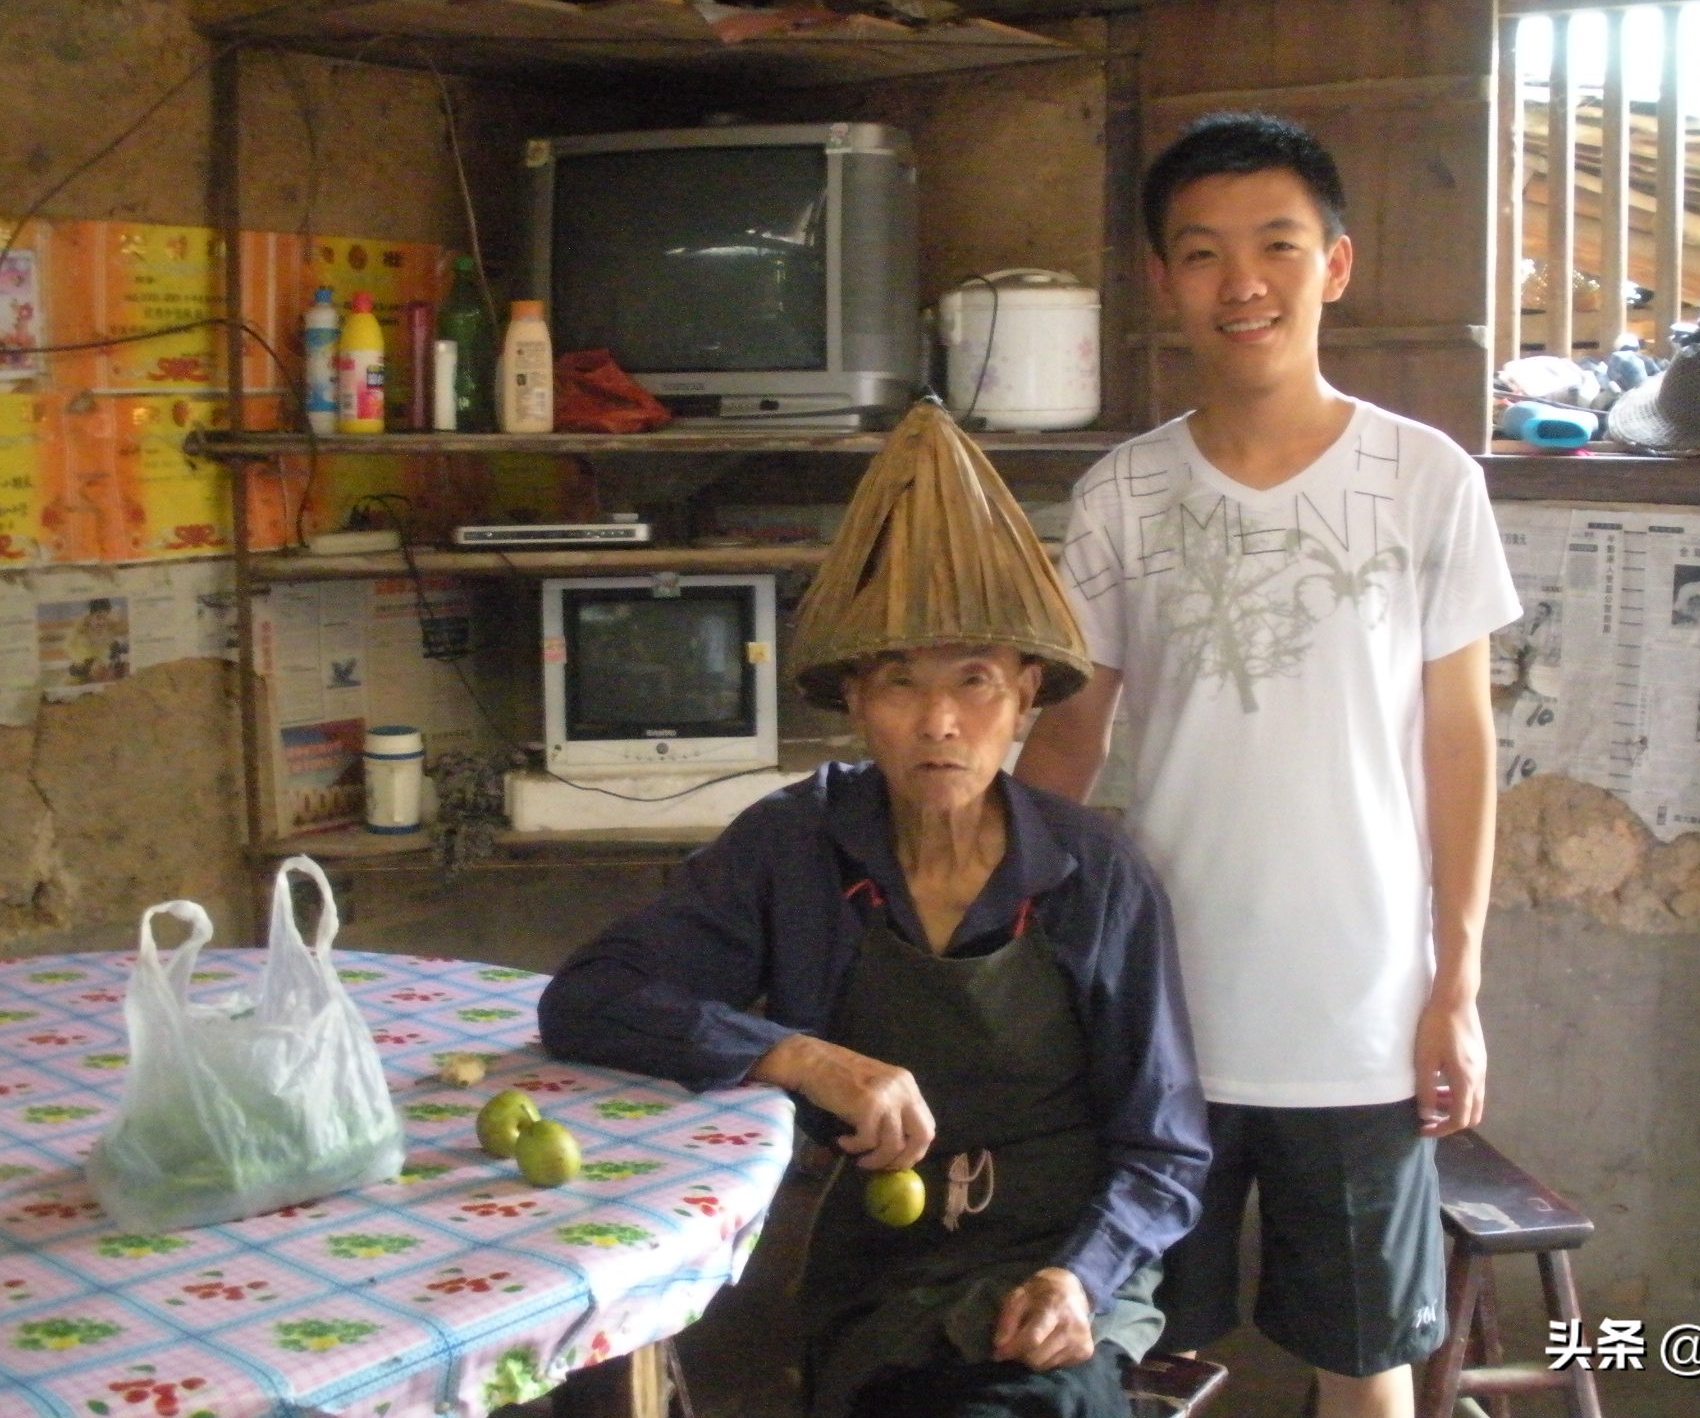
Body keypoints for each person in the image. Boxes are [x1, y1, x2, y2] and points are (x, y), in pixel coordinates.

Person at [540, 400, 1210, 1418]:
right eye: (901, 683)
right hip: (879, 1273)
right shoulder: (793, 846)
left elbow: (1162, 1149)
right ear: (856, 699)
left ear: (1026, 692)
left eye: (975, 682)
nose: (939, 723)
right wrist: (800, 1057)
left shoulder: (1094, 872)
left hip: (1058, 1264)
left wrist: (1083, 1276)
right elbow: (588, 1000)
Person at [1017, 112, 1521, 1418]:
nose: (1243, 282)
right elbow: (1070, 737)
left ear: (1335, 264)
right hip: (1160, 1016)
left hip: (1359, 1018)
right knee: (1131, 1355)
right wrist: (996, 939)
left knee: (1367, 1361)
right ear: (1163, 282)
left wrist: (1454, 983)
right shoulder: (1123, 496)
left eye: (1278, 245)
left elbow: (1460, 746)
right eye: (1202, 253)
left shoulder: (1427, 480)